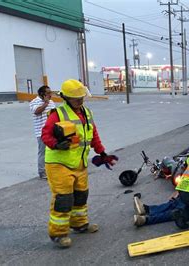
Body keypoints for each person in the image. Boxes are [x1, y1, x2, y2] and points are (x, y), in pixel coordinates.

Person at [41, 79, 118, 248]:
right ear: (66, 98)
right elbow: (45, 135)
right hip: (59, 163)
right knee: (64, 198)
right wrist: (56, 144)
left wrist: (102, 153)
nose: (80, 101)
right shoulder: (57, 114)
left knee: (81, 195)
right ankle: (58, 234)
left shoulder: (86, 113)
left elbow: (93, 135)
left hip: (79, 163)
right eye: (76, 98)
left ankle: (79, 224)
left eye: (81, 97)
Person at [29, 85, 56, 179]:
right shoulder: (34, 102)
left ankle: (51, 170)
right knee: (43, 152)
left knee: (54, 151)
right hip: (41, 133)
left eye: (50, 92)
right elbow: (37, 111)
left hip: (53, 131)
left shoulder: (52, 102)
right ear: (42, 94)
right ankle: (42, 172)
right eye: (48, 93)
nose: (50, 95)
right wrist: (45, 103)